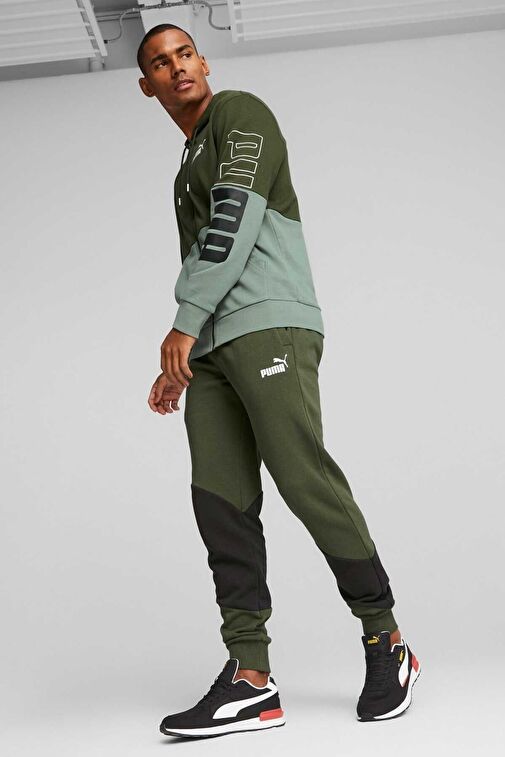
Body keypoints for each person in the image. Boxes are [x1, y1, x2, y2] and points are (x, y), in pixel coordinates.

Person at [138, 23, 421, 739]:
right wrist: (184, 356)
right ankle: (250, 678)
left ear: (203, 60)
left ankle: (386, 638)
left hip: (269, 327)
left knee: (302, 477)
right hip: (212, 349)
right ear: (146, 86)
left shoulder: (241, 113)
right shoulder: (186, 163)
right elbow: (204, 254)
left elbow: (232, 220)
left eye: (184, 54)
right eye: (160, 64)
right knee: (219, 502)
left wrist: (182, 323)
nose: (176, 68)